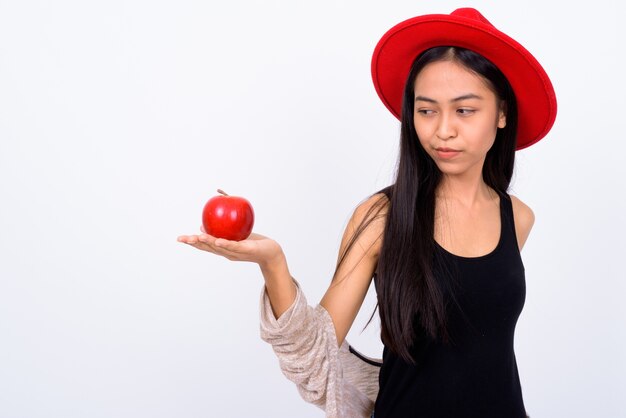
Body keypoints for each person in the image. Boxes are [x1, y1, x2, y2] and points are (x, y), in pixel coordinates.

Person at [178, 7, 557, 418]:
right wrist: (273, 263)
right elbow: (316, 355)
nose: (443, 129)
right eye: (426, 110)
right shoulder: (382, 217)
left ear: (501, 113)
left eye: (464, 110)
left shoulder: (517, 217)